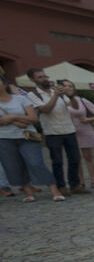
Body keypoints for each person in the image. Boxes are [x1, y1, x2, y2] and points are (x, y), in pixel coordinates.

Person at [0, 74, 64, 202]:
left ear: (5, 84)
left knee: (36, 163)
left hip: (27, 136)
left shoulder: (20, 99)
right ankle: (28, 193)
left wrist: (11, 117)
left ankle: (54, 190)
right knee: (14, 166)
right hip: (4, 138)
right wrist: (15, 120)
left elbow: (34, 118)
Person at [26, 69, 83, 194]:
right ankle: (60, 186)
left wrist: (71, 95)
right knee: (57, 161)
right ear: (32, 80)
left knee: (75, 158)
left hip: (69, 129)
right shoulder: (32, 95)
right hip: (52, 132)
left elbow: (75, 107)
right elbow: (46, 110)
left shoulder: (57, 91)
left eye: (45, 76)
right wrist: (55, 96)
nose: (44, 79)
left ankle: (75, 184)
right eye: (40, 77)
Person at [64, 81, 94, 190]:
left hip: (84, 129)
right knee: (76, 158)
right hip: (69, 131)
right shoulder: (61, 101)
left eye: (70, 86)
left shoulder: (81, 100)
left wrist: (89, 119)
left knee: (88, 156)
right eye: (65, 86)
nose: (68, 88)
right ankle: (80, 181)